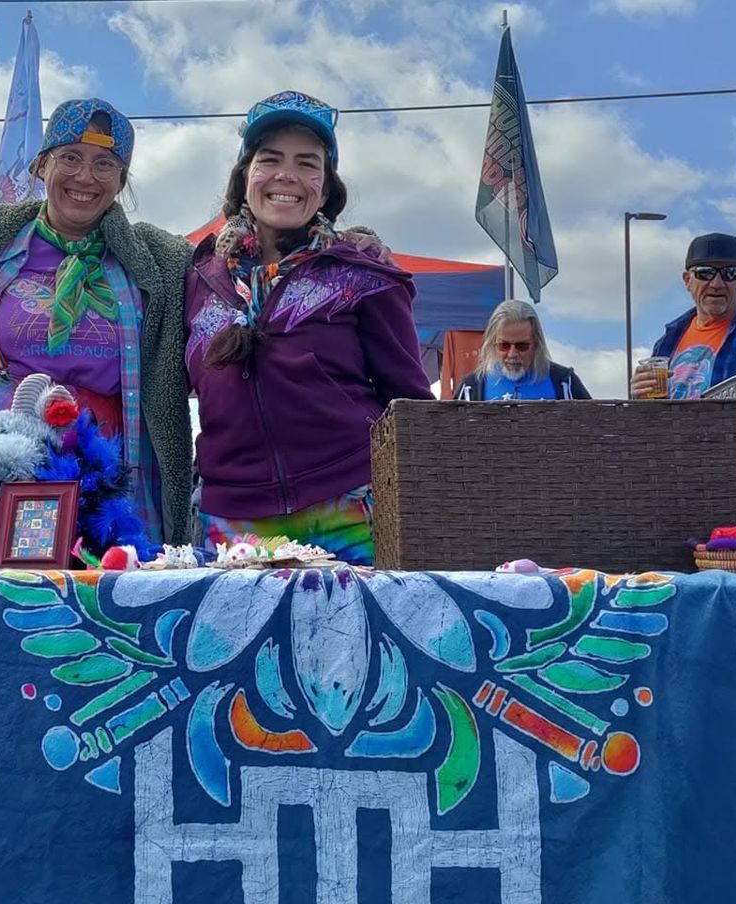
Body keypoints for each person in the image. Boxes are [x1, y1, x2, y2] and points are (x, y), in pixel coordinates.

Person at [0, 98, 193, 543]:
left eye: (104, 164)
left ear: (121, 180)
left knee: (93, 595)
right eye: (70, 157)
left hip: (101, 475)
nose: (85, 177)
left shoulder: (159, 262)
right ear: (41, 166)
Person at [186, 91, 431, 563]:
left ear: (325, 185)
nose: (287, 176)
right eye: (270, 159)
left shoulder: (363, 274)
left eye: (307, 163)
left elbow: (410, 408)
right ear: (245, 176)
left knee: (356, 637)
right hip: (231, 519)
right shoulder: (200, 275)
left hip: (348, 511)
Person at [631, 231, 736, 399]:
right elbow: (654, 411)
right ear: (687, 280)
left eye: (730, 273)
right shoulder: (668, 340)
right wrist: (640, 396)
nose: (717, 284)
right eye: (705, 273)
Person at [456, 299, 591, 400]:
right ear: (492, 343)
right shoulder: (470, 388)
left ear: (537, 344)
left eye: (522, 346)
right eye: (504, 346)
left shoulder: (565, 383)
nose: (512, 354)